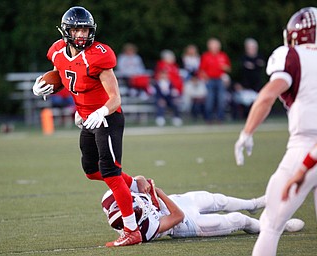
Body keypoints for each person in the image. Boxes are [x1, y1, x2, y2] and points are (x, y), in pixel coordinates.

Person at [32, 6, 143, 247]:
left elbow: (115, 99)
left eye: (85, 29)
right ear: (66, 31)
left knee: (111, 173)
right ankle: (137, 186)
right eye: (77, 29)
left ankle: (132, 230)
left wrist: (102, 110)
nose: (82, 34)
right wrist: (42, 83)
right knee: (92, 171)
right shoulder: (58, 52)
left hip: (106, 118)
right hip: (87, 119)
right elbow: (63, 75)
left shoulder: (99, 56)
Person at [234, 7, 317, 256]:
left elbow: (268, 95)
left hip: (306, 144)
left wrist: (247, 132)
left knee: (271, 224)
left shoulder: (292, 56)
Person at [102, 176, 304, 243]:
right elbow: (177, 216)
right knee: (237, 221)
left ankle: (253, 204)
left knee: (218, 199)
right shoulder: (144, 231)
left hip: (178, 200)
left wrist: (141, 180)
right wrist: (160, 194)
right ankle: (279, 226)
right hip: (185, 224)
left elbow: (136, 179)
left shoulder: (110, 198)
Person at [199, 38, 231, 123]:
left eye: (216, 45)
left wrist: (225, 68)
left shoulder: (223, 55)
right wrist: (205, 78)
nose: (215, 47)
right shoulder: (206, 56)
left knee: (221, 99)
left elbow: (228, 68)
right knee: (210, 99)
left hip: (220, 80)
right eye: (213, 45)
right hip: (210, 80)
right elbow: (201, 70)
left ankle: (220, 118)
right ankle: (208, 118)